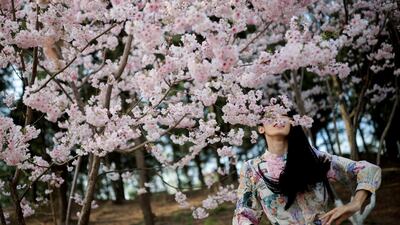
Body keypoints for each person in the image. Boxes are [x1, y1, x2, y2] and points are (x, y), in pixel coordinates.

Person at [232, 107, 382, 225]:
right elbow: (244, 215)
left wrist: (355, 204)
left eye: (284, 114)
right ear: (260, 128)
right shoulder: (252, 168)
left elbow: (369, 170)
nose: (278, 118)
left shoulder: (315, 158)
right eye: (271, 115)